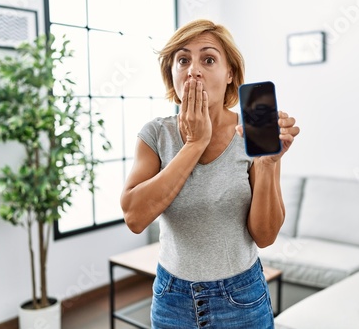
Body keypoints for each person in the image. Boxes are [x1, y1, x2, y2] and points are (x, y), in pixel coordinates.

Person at [120, 19, 300, 329]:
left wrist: (268, 165)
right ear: (172, 73)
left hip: (241, 299)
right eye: (183, 60)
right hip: (171, 299)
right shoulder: (155, 135)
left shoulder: (253, 132)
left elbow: (265, 236)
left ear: (230, 73)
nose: (193, 69)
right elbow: (135, 218)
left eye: (208, 58)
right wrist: (194, 143)